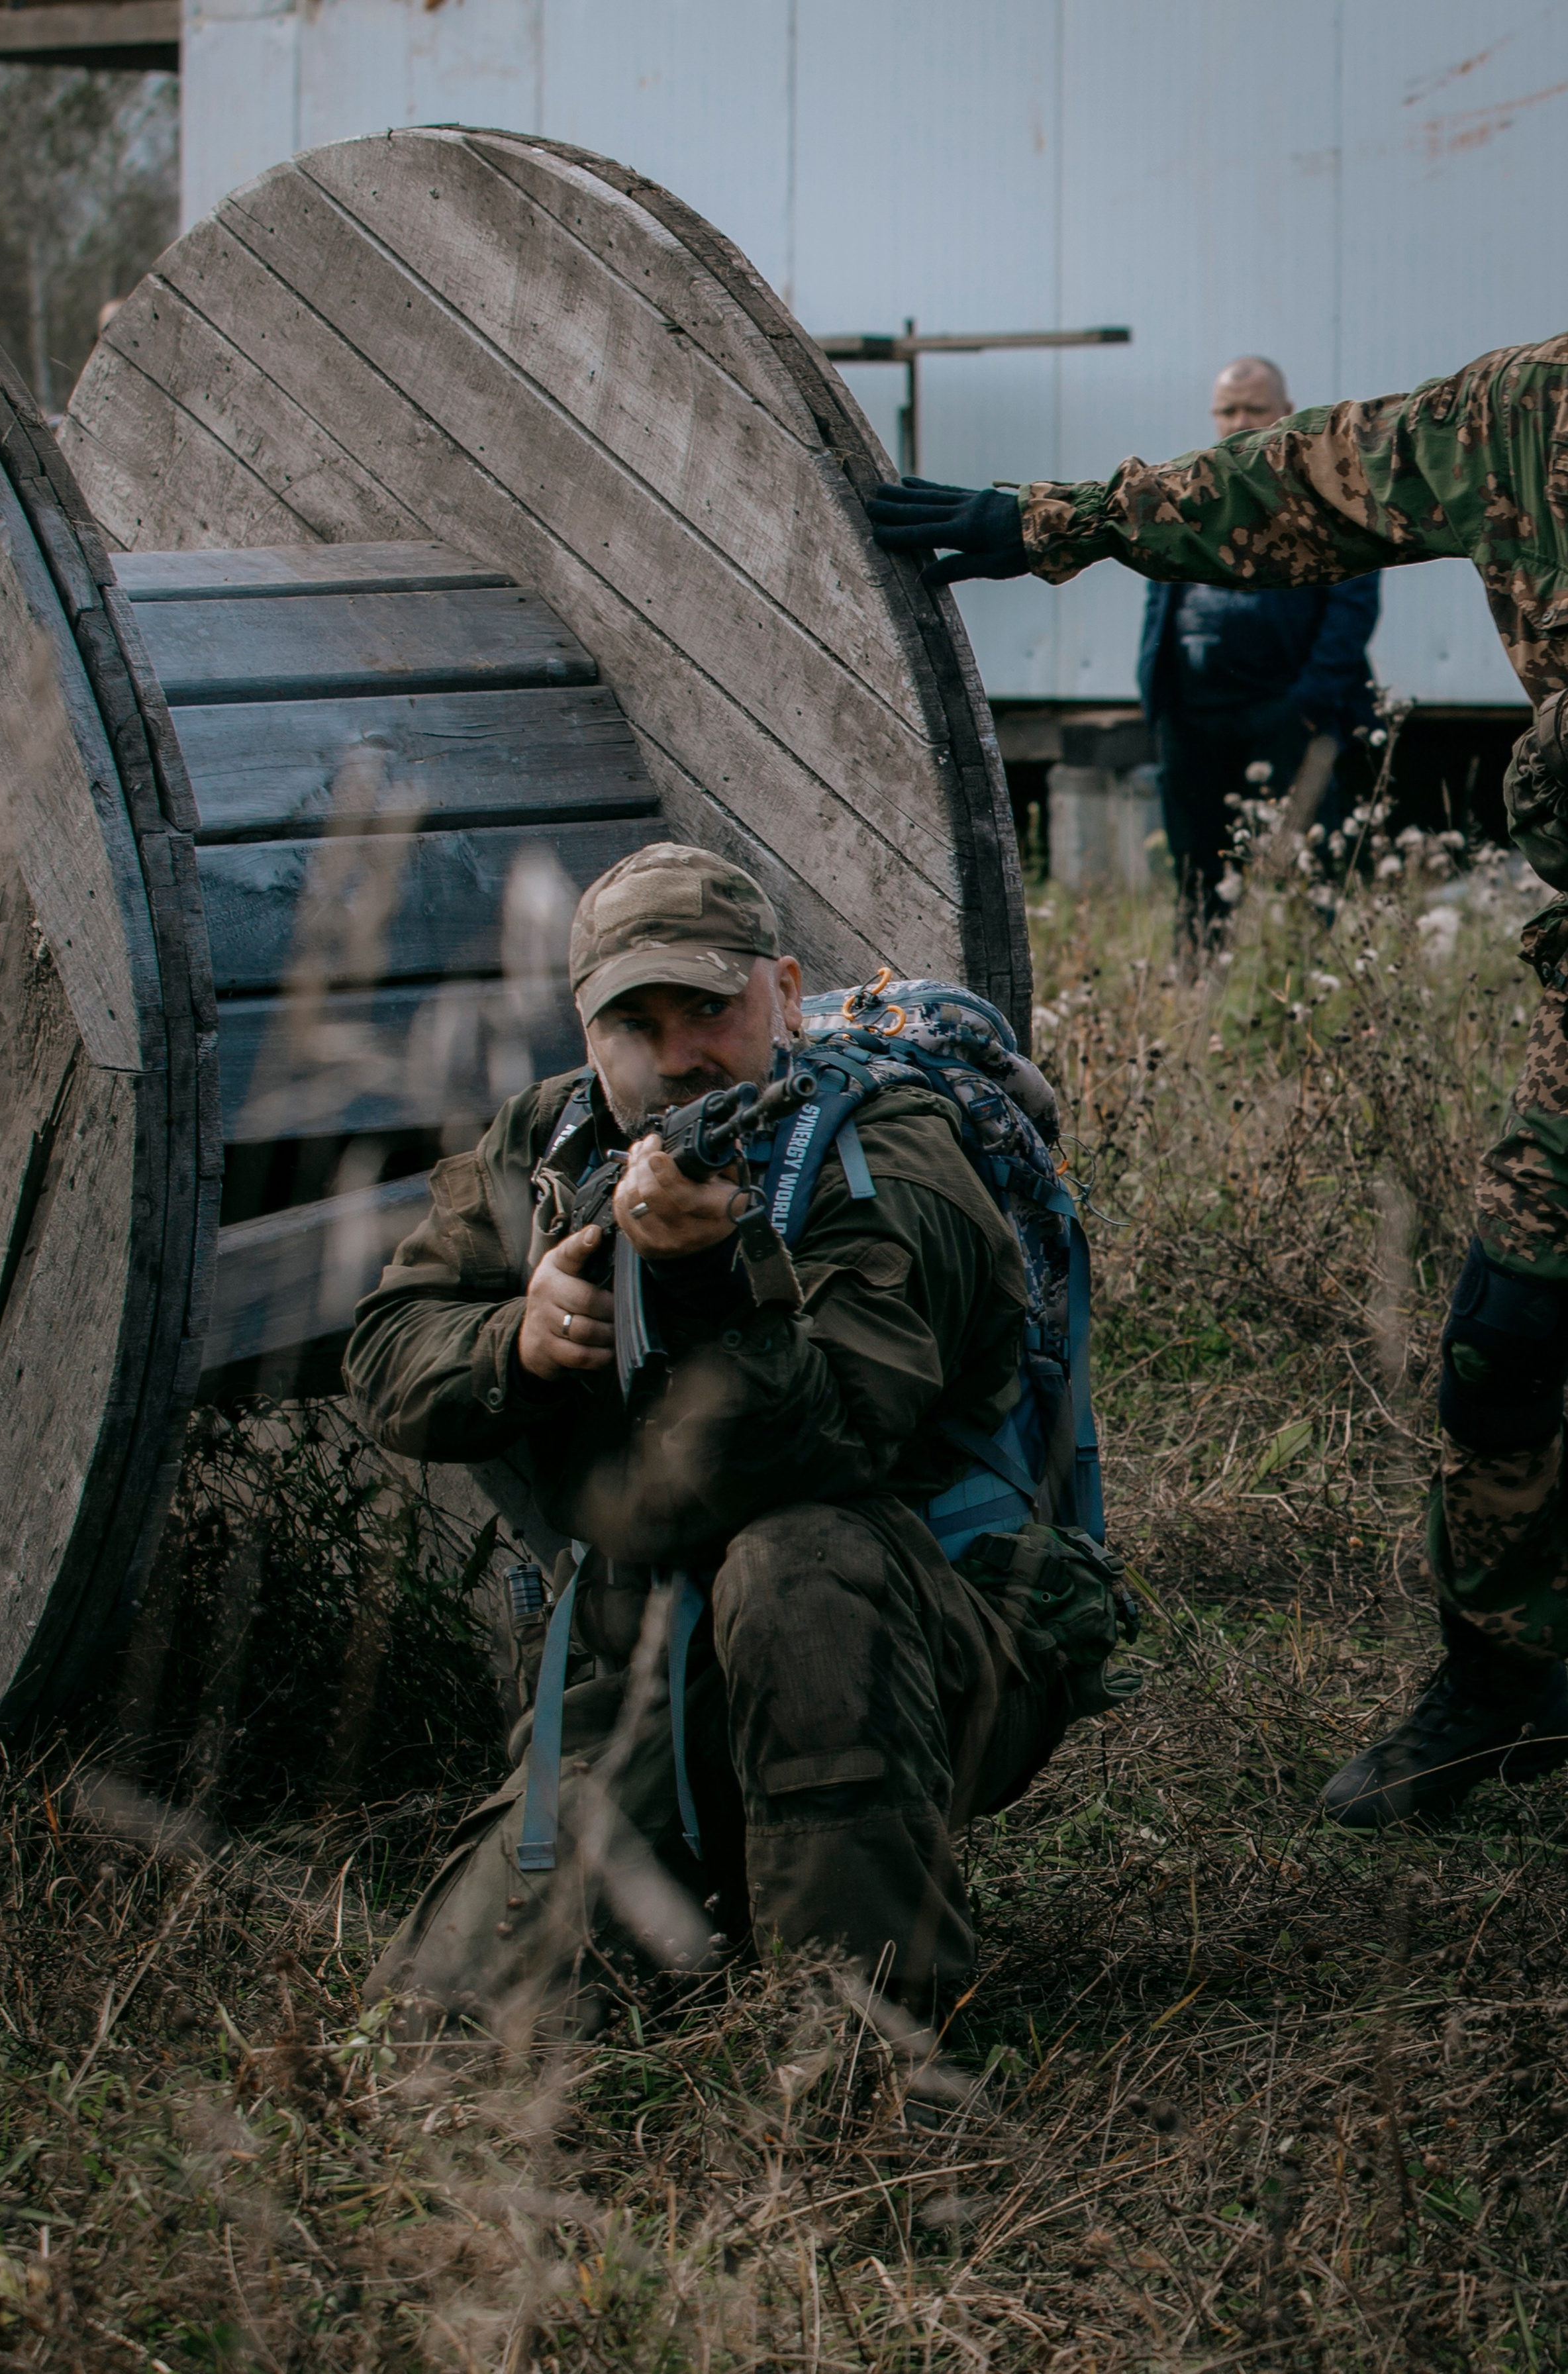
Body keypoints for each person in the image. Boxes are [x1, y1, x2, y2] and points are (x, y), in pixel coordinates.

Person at [867, 332, 1568, 1829]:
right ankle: (1507, 1682)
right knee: (1505, 1337)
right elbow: (1289, 482)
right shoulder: (1529, 412)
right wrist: (1040, 524)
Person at [343, 843, 1112, 2034]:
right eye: (632, 1023)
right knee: (444, 2031)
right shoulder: (548, 1145)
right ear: (585, 1031)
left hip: (930, 1637)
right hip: (666, 1662)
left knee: (795, 1561)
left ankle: (874, 2046)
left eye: (709, 1008)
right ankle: (762, 1867)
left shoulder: (888, 1157)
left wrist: (702, 1276)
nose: (676, 1056)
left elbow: (822, 1453)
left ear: (784, 991)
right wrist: (518, 1339)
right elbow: (388, 1343)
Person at [1137, 357, 1380, 936]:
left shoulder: (1326, 495)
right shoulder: (1185, 491)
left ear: (1286, 412)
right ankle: (1199, 988)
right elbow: (1158, 598)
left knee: (1307, 867)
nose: (1239, 420)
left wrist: (1306, 704)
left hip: (1285, 715)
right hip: (1193, 719)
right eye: (1228, 410)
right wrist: (1158, 695)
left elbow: (1353, 608)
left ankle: (1309, 985)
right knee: (1198, 871)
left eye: (1254, 408)